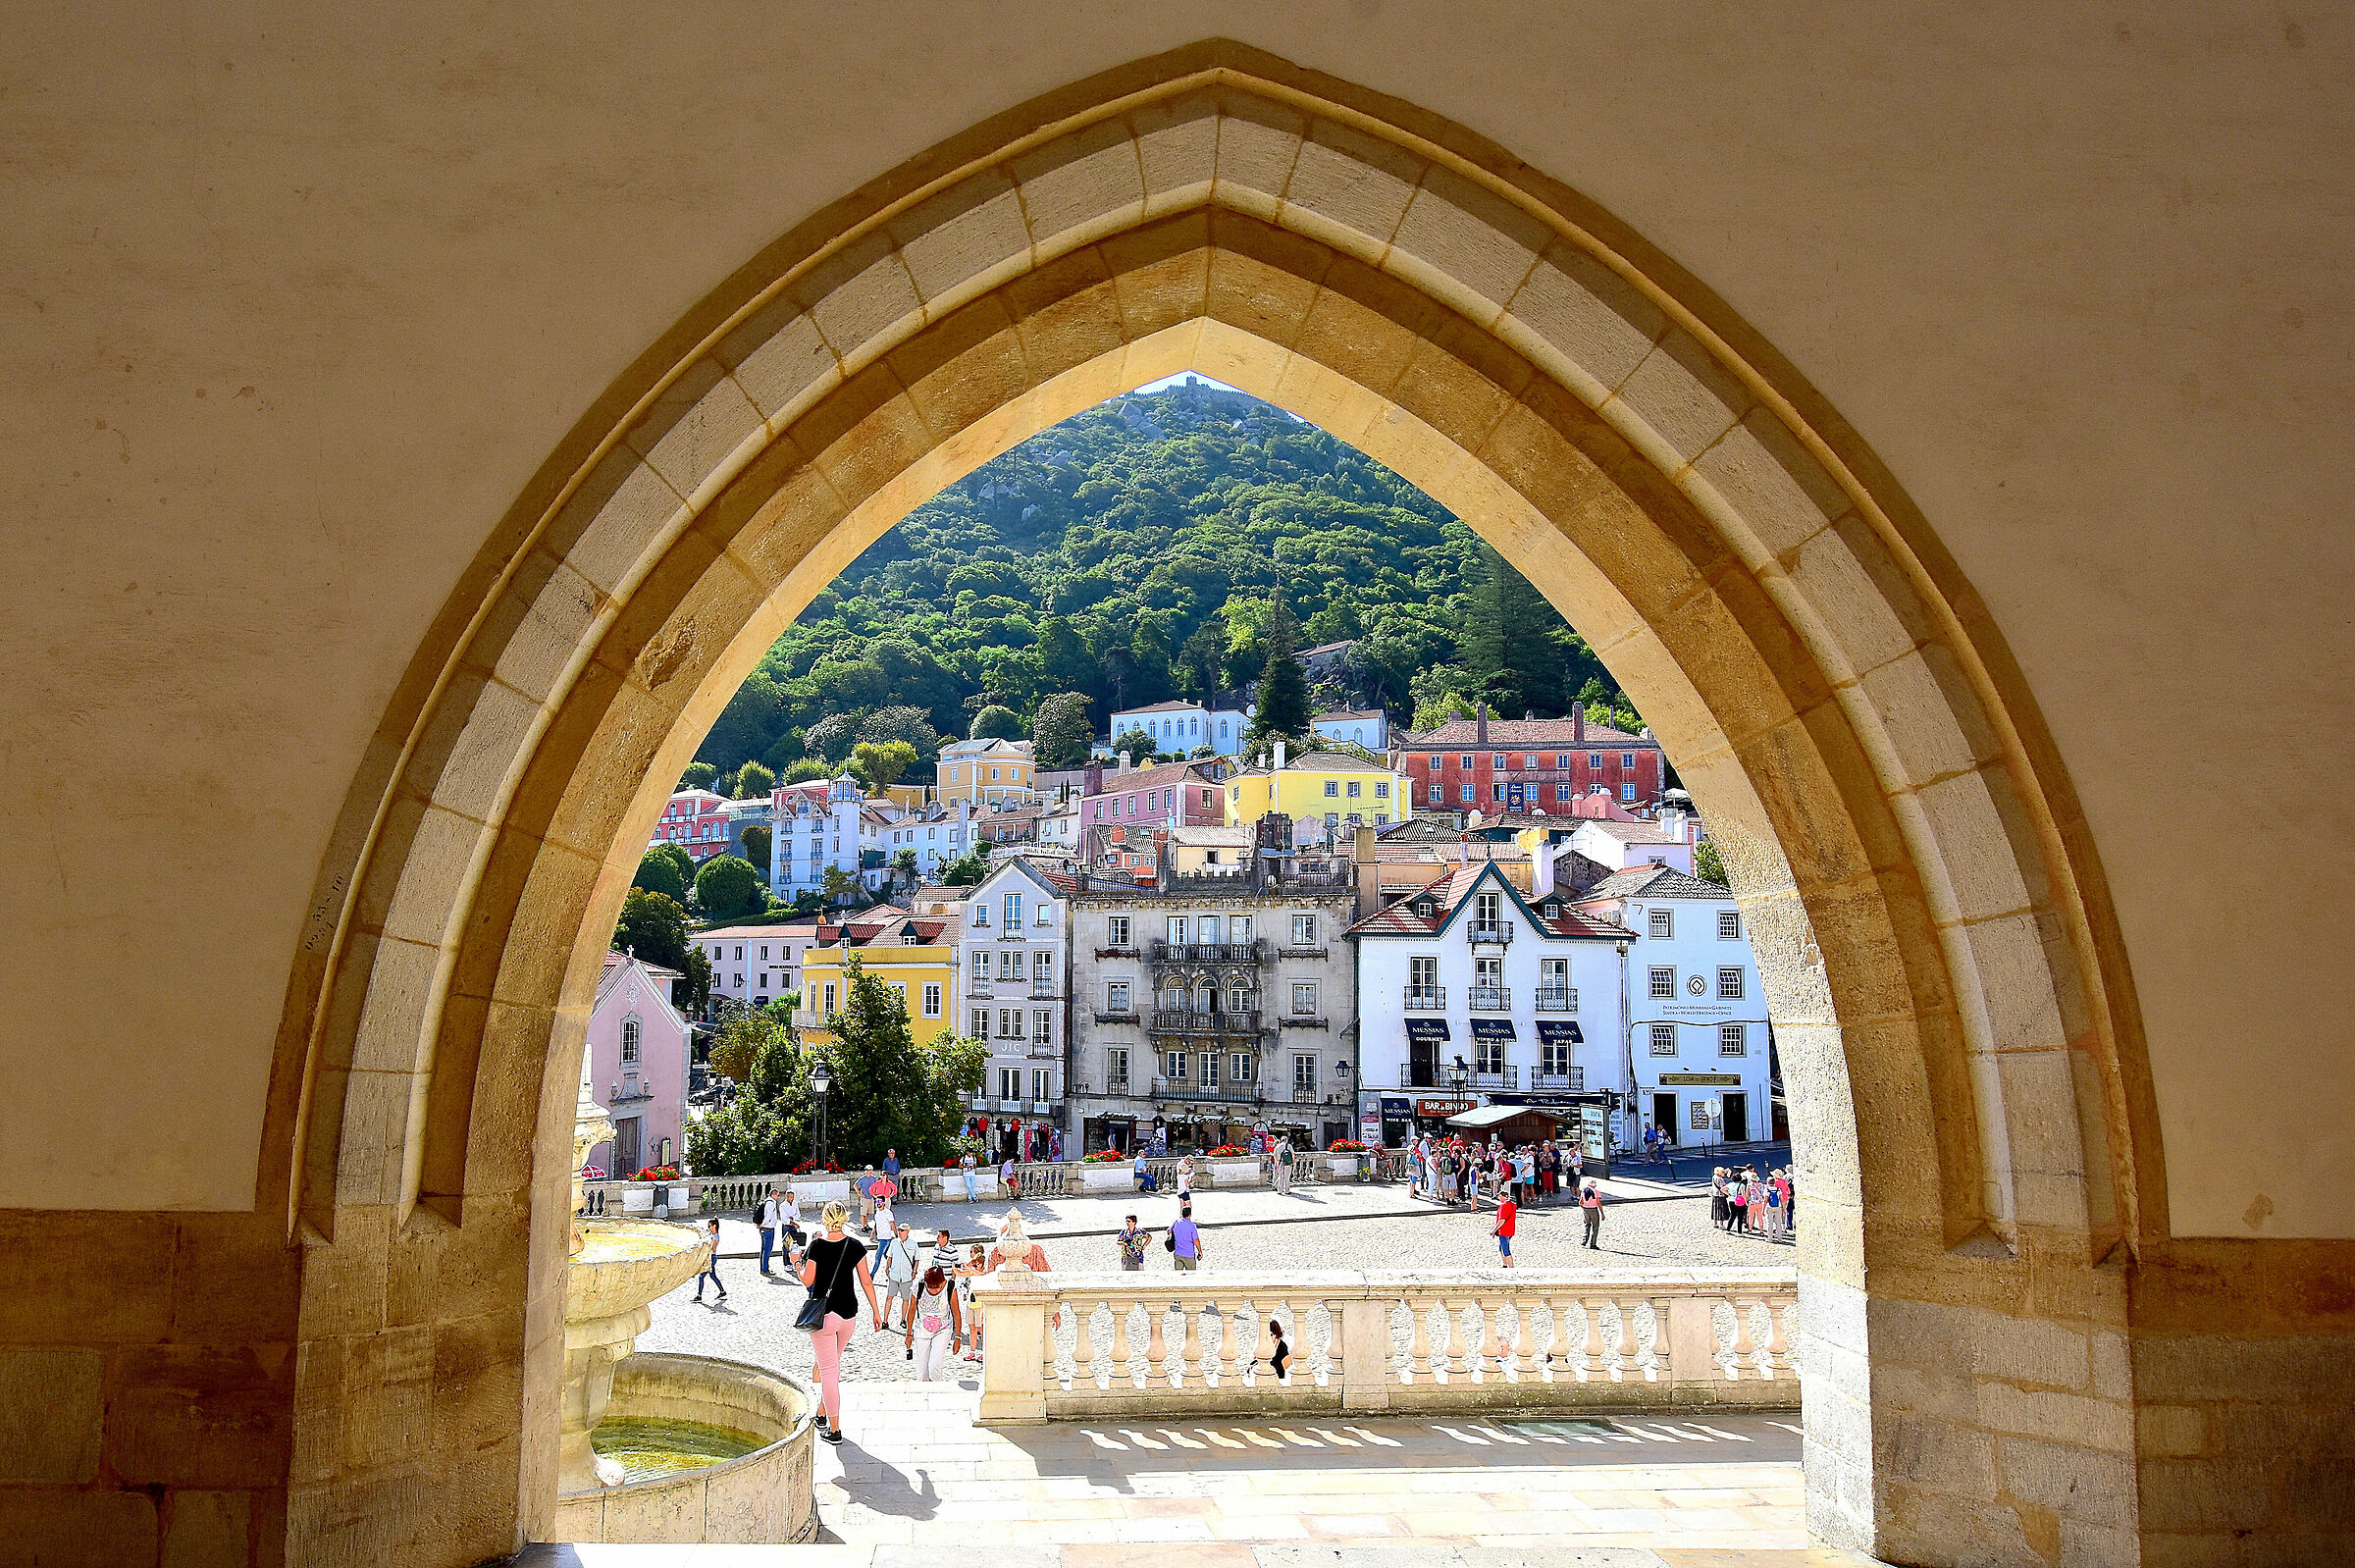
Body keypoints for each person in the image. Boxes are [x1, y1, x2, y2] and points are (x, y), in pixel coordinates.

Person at [799, 1202, 882, 1443]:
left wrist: (796, 1264)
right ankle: (822, 1414)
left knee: (828, 1373)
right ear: (844, 1219)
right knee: (831, 1367)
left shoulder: (816, 1245)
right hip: (849, 1315)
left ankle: (834, 1430)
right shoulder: (854, 1245)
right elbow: (867, 1281)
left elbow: (807, 1280)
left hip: (824, 1316)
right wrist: (877, 1312)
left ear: (825, 1219)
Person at [906, 1264, 963, 1382]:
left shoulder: (950, 1288)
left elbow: (956, 1313)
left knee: (934, 1366)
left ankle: (938, 1394)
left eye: (938, 1287)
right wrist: (909, 1334)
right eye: (931, 1287)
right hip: (921, 1330)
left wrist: (958, 1337)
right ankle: (924, 1396)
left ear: (943, 1282)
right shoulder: (918, 1287)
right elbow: (911, 1310)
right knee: (923, 1372)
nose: (934, 1290)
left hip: (943, 1329)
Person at [879, 1222, 921, 1333]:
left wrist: (914, 1271)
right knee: (889, 1298)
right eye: (899, 1230)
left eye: (902, 1230)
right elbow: (890, 1256)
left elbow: (917, 1259)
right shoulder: (894, 1243)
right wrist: (887, 1267)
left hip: (907, 1276)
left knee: (905, 1299)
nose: (900, 1232)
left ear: (907, 1232)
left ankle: (903, 1319)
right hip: (894, 1275)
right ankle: (885, 1320)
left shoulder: (913, 1244)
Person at [958, 1242, 987, 1358]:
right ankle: (973, 1351)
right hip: (971, 1301)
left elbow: (981, 1274)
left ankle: (983, 1352)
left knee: (981, 1328)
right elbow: (962, 1272)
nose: (970, 1254)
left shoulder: (982, 1270)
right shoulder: (972, 1266)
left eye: (972, 1251)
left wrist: (970, 1267)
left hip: (979, 1304)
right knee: (972, 1328)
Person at [693, 1215, 727, 1302]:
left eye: (710, 1226)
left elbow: (713, 1249)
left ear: (714, 1226)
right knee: (713, 1276)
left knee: (701, 1277)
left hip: (711, 1258)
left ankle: (699, 1296)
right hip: (710, 1258)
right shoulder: (712, 1235)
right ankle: (722, 1291)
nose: (709, 1227)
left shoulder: (715, 1237)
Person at [757, 1185, 786, 1277]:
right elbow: (768, 1216)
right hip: (768, 1229)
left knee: (764, 1249)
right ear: (773, 1195)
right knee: (767, 1250)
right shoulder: (771, 1203)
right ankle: (765, 1269)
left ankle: (763, 1268)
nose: (778, 1197)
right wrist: (763, 1223)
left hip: (764, 1228)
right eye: (777, 1195)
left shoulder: (766, 1202)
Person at [1493, 1181, 1518, 1268]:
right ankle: (1504, 1265)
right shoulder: (1512, 1205)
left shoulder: (1504, 1206)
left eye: (1500, 1197)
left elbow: (1502, 1220)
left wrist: (1494, 1230)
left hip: (1504, 1230)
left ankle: (1511, 1267)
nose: (1499, 1198)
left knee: (1506, 1250)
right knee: (1501, 1249)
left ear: (1504, 1197)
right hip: (1510, 1229)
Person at [1171, 1203, 1202, 1271]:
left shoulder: (1176, 1222)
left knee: (1178, 1275)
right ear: (1190, 1214)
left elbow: (1169, 1230)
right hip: (1189, 1254)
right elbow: (1196, 1240)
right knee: (1191, 1276)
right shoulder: (1192, 1226)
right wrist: (1200, 1251)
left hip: (1178, 1253)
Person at [1579, 1179, 1604, 1249]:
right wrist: (1602, 1213)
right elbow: (1599, 1203)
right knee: (1595, 1227)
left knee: (1587, 1225)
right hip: (1594, 1210)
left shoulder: (1583, 1191)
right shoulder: (1597, 1193)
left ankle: (1584, 1241)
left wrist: (1584, 1208)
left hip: (1586, 1210)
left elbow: (1580, 1202)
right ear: (1595, 1186)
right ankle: (1593, 1244)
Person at [1266, 1317, 1290, 1383]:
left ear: (1276, 1334)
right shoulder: (1264, 1344)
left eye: (1270, 1335)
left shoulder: (1282, 1347)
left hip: (1278, 1377)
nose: (1268, 1337)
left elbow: (1285, 1366)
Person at [856, 1166, 879, 1231]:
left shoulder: (873, 1178)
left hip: (871, 1197)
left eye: (871, 1170)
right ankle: (863, 1226)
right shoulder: (862, 1179)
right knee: (863, 1213)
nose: (869, 1171)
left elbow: (876, 1186)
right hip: (865, 1198)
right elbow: (855, 1185)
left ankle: (866, 1225)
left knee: (868, 1212)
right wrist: (859, 1194)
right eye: (868, 1170)